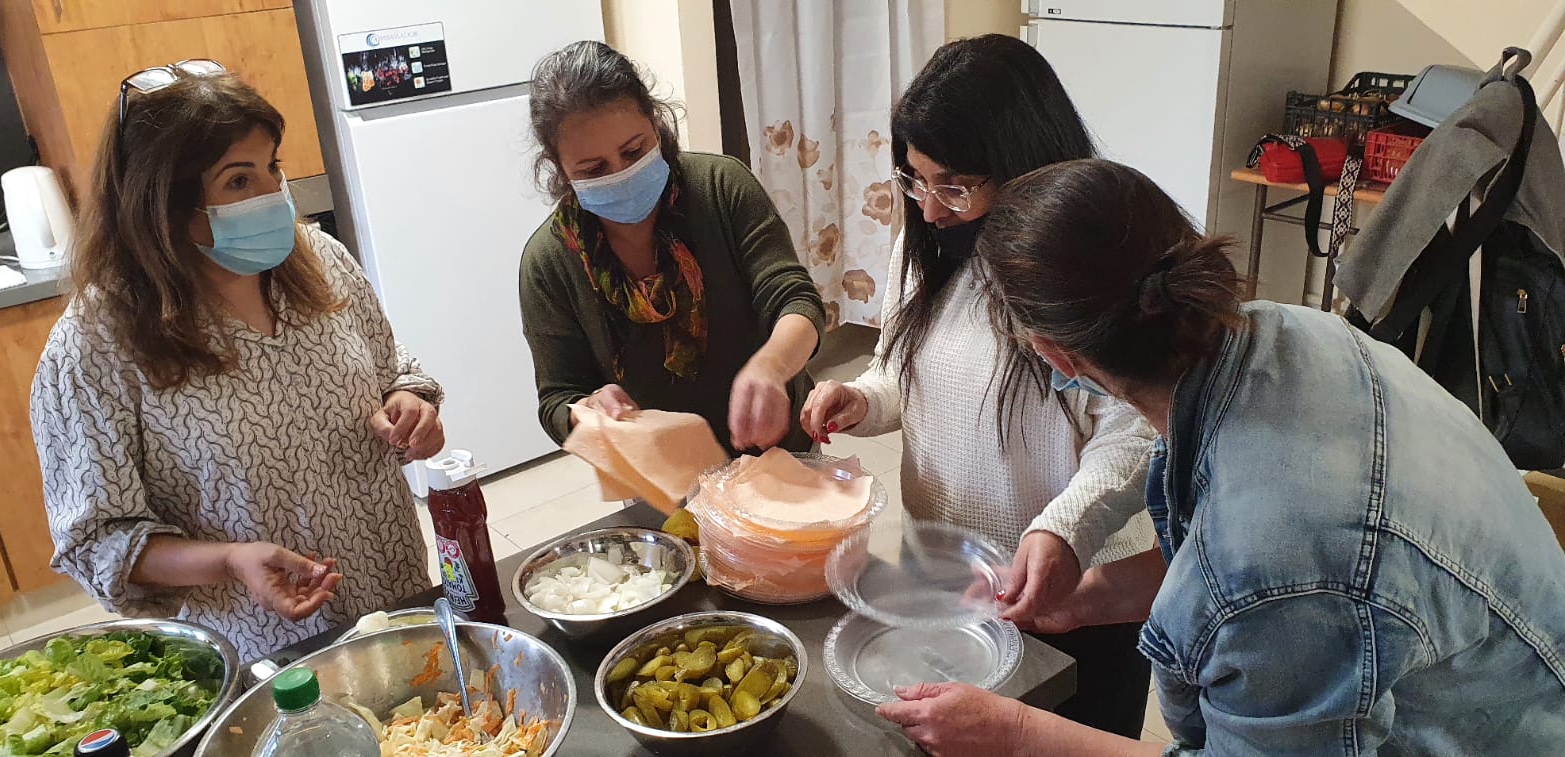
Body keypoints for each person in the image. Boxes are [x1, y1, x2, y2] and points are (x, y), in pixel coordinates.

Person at [878, 158, 1565, 755]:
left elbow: (1270, 580)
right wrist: (1087, 601)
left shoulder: (1278, 554)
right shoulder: (1285, 330)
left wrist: (1015, 735)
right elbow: (1233, 569)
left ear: (1056, 354)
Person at [798, 35, 1157, 736]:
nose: (929, 208)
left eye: (955, 185)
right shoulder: (924, 247)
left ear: (1023, 165)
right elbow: (904, 372)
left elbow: (1133, 429)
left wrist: (1061, 527)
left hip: (1076, 588)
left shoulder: (1085, 264)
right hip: (945, 575)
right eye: (914, 178)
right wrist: (865, 399)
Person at [30, 63, 443, 660]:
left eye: (272, 167)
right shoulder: (96, 345)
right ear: (161, 203)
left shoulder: (319, 260)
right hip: (264, 647)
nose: (273, 196)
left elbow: (391, 368)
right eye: (238, 181)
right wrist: (229, 559)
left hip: (395, 594)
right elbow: (96, 540)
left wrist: (411, 404)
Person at [520, 41, 824, 455]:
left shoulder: (720, 188)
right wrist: (588, 409)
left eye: (634, 150)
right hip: (661, 475)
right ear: (559, 169)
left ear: (656, 122)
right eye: (594, 169)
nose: (622, 174)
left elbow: (795, 299)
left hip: (779, 453)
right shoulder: (549, 262)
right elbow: (557, 398)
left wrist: (772, 367)